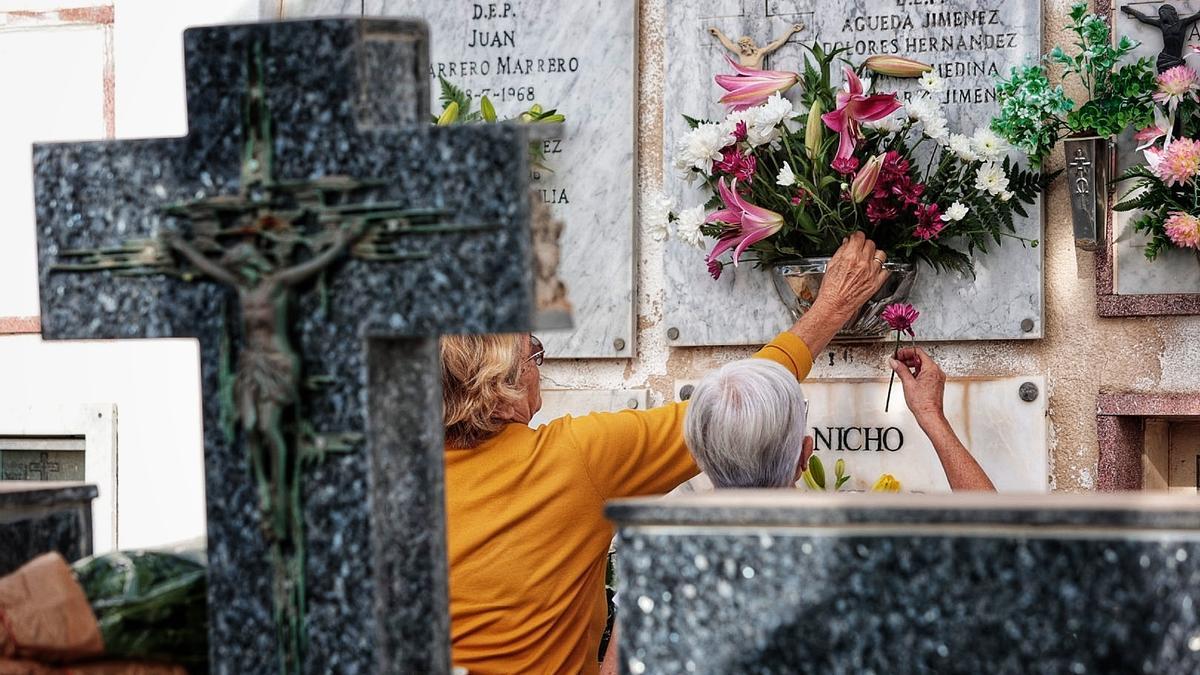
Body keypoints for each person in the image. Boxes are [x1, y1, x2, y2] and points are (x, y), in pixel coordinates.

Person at [440, 232, 891, 674]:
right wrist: (831, 308)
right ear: (502, 386)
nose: (541, 370)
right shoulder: (573, 460)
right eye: (533, 355)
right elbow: (733, 409)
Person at [683, 347, 995, 491]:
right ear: (805, 455)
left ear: (699, 455)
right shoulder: (843, 546)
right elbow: (995, 537)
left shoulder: (664, 542)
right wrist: (931, 415)